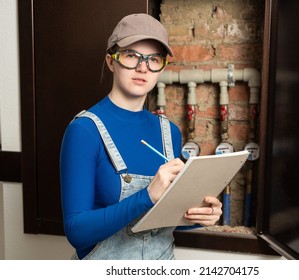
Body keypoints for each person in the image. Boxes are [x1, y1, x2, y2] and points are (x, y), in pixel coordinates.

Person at [60, 13, 222, 260]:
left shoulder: (170, 133)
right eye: (131, 56)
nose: (143, 67)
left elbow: (160, 222)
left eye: (154, 59)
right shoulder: (84, 131)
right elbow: (77, 232)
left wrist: (199, 216)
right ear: (111, 61)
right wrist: (147, 195)